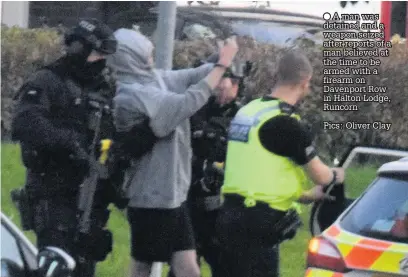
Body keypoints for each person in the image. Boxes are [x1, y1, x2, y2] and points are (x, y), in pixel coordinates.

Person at [107, 28, 238, 277]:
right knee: (143, 265)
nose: (151, 59)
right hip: (151, 196)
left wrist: (216, 60)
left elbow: (188, 78)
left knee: (187, 268)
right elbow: (186, 102)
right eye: (145, 55)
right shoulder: (132, 95)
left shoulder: (151, 78)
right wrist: (221, 65)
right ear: (130, 58)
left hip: (172, 195)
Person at [215, 49, 346, 277]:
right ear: (306, 81)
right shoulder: (285, 124)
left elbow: (254, 170)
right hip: (258, 224)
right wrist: (336, 175)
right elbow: (321, 176)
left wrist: (305, 196)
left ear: (278, 75)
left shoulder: (249, 111)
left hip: (229, 214)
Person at [11, 19, 117, 277]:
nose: (101, 61)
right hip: (53, 194)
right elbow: (25, 123)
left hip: (90, 199)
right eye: (97, 54)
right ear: (78, 48)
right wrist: (68, 143)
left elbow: (111, 135)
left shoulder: (103, 89)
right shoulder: (48, 81)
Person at [167, 55, 244, 277]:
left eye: (223, 80)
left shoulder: (243, 117)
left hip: (223, 208)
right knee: (182, 268)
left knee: (226, 266)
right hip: (189, 200)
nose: (217, 87)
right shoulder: (193, 110)